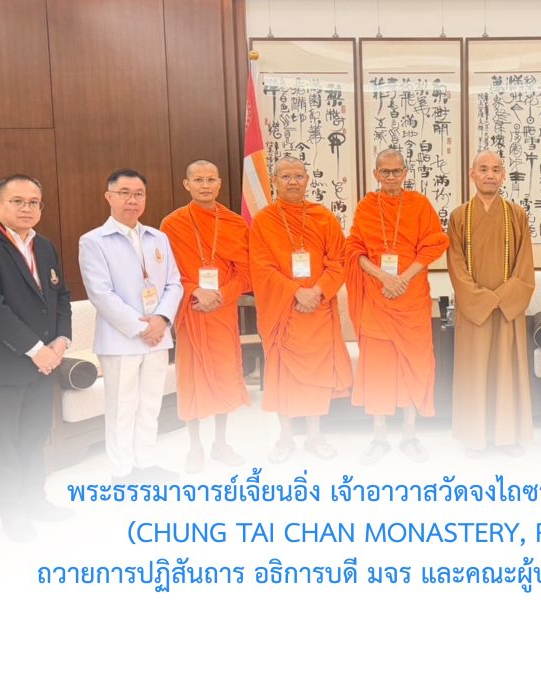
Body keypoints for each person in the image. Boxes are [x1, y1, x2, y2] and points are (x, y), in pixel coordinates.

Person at [0, 174, 73, 542]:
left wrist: (61, 340)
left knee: (34, 436)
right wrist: (38, 351)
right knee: (4, 442)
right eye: (17, 201)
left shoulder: (45, 246)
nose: (27, 208)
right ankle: (12, 512)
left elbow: (61, 295)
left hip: (43, 364)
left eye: (33, 202)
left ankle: (35, 500)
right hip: (0, 367)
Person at [79, 169, 183, 483]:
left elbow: (174, 284)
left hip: (158, 336)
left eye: (138, 194)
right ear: (109, 197)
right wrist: (142, 328)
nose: (132, 200)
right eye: (124, 193)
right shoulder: (93, 241)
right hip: (121, 339)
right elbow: (100, 293)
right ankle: (122, 471)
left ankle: (146, 463)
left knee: (151, 403)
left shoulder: (158, 237)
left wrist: (161, 320)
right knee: (122, 406)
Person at [346, 149, 449, 463]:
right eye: (385, 171)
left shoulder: (419, 204)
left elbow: (434, 243)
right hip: (377, 298)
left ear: (405, 173)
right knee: (378, 368)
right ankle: (379, 436)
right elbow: (354, 249)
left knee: (412, 365)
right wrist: (383, 277)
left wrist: (403, 278)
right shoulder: (366, 206)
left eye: (396, 171)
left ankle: (409, 434)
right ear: (376, 174)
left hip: (411, 298)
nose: (391, 177)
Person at [250, 156, 352, 461]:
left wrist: (316, 292)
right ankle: (285, 438)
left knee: (316, 375)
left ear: (307, 180)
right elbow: (261, 267)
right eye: (286, 176)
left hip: (317, 310)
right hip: (283, 310)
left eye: (298, 176)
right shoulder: (264, 221)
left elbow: (339, 261)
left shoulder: (324, 217)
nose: (293, 181)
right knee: (283, 376)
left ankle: (315, 436)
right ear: (275, 181)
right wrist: (296, 292)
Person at [160, 160, 251, 473]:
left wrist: (221, 295)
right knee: (193, 379)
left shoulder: (235, 223)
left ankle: (221, 443)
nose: (205, 185)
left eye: (211, 179)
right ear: (186, 184)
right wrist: (196, 290)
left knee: (224, 376)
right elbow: (167, 273)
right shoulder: (172, 224)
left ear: (219, 183)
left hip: (222, 312)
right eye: (198, 180)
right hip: (193, 310)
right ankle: (195, 447)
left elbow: (246, 272)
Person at [447, 150, 535, 457]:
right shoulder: (459, 216)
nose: (489, 175)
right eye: (483, 169)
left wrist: (502, 299)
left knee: (505, 370)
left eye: (496, 169)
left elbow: (525, 266)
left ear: (503, 175)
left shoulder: (517, 214)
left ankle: (506, 437)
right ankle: (475, 437)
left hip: (507, 310)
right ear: (472, 174)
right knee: (475, 371)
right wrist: (481, 300)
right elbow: (456, 266)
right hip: (475, 311)